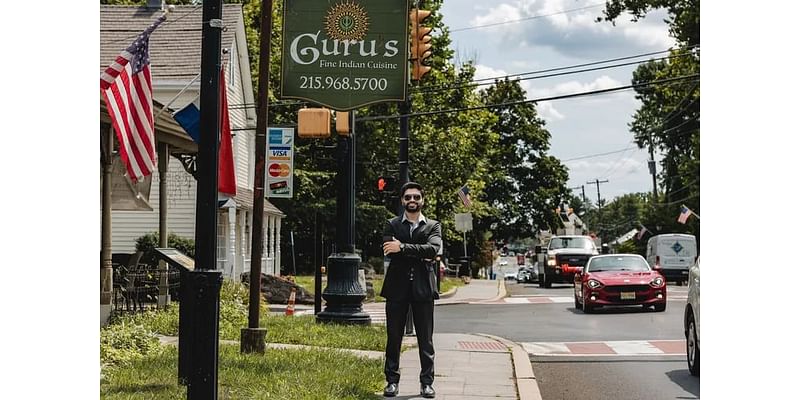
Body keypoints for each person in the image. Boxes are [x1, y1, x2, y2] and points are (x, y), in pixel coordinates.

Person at [381, 182, 442, 398]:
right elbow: (390, 250)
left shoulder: (433, 226)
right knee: (393, 337)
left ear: (422, 200)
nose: (412, 200)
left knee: (426, 339)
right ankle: (391, 381)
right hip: (396, 288)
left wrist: (403, 247)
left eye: (416, 197)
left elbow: (433, 249)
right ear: (402, 200)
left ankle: (427, 383)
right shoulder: (392, 224)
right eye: (408, 197)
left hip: (423, 288)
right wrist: (419, 253)